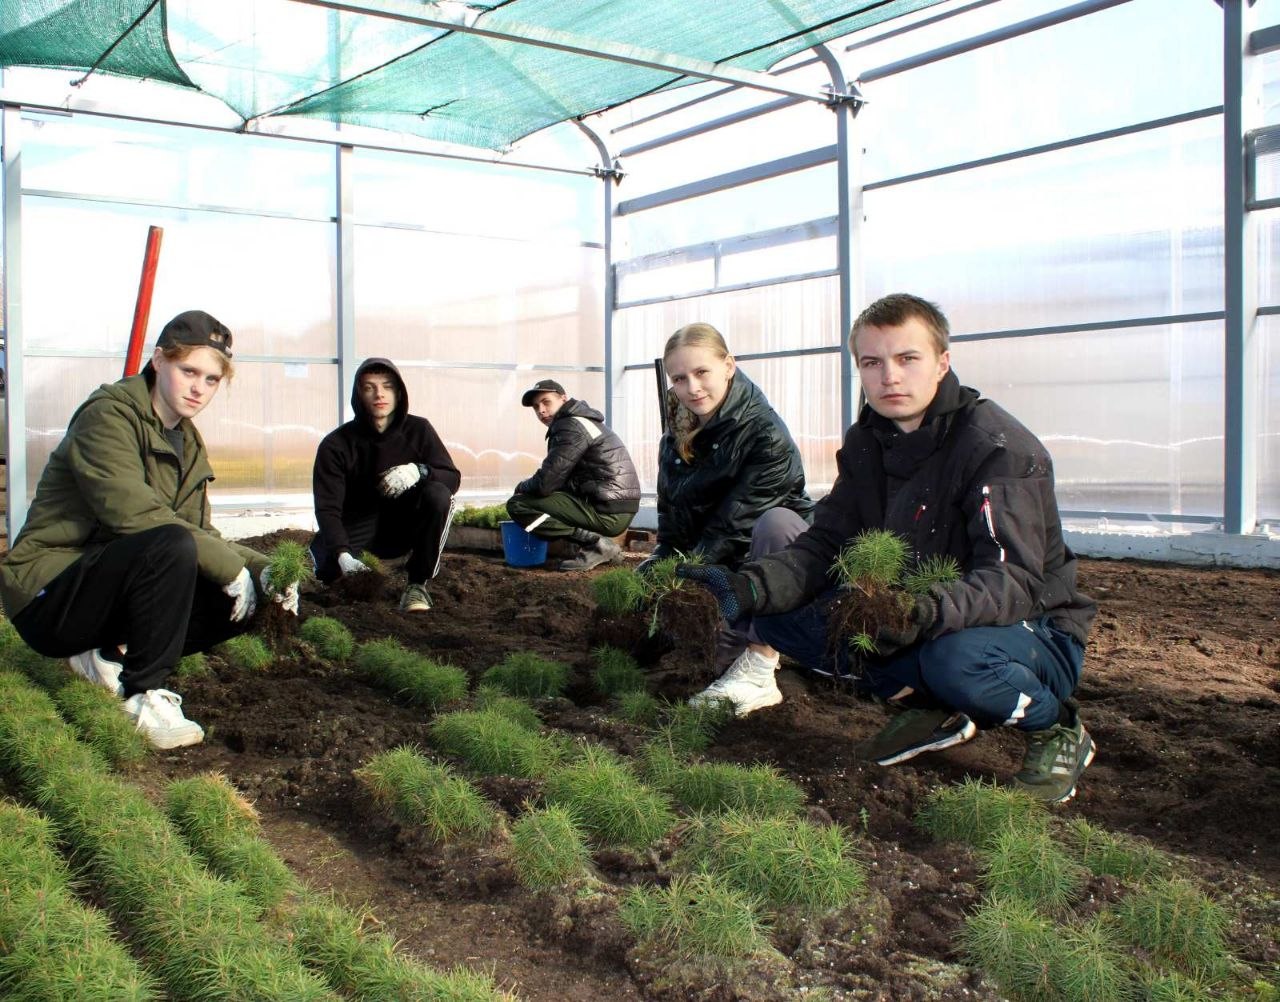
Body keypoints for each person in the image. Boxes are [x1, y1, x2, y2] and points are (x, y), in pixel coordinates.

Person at [678, 294, 1098, 804]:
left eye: (907, 359)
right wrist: (748, 586)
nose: (889, 377)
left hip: (1034, 630)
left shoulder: (997, 450)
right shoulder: (868, 442)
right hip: (921, 617)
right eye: (872, 363)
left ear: (943, 362)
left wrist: (922, 610)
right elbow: (826, 543)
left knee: (954, 660)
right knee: (778, 622)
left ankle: (1056, 725)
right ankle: (932, 702)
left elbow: (1015, 580)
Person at [0, 310, 298, 749]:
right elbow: (135, 516)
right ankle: (143, 694)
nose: (199, 388)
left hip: (105, 590)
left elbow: (202, 533)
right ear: (158, 361)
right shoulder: (108, 417)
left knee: (244, 595)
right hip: (49, 593)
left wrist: (263, 568)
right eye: (188, 371)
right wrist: (230, 567)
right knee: (172, 546)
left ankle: (105, 654)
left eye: (212, 379)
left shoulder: (189, 443)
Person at [646, 322, 814, 674]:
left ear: (728, 366)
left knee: (717, 664)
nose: (691, 388)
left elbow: (733, 528)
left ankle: (763, 641)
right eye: (678, 379)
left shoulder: (765, 434)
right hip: (713, 554)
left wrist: (680, 580)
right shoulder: (676, 433)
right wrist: (656, 565)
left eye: (701, 372)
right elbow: (673, 516)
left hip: (762, 563)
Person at [309, 358, 460, 611]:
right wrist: (342, 555)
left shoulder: (418, 430)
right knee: (329, 570)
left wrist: (419, 470)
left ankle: (416, 585)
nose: (379, 394)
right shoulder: (336, 445)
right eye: (369, 387)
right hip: (359, 522)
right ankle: (341, 565)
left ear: (398, 392)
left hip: (403, 525)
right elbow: (327, 508)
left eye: (387, 386)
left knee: (439, 494)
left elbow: (452, 477)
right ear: (358, 394)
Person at [506, 379, 640, 571]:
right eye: (536, 407)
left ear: (563, 398)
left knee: (519, 504)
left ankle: (597, 544)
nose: (541, 410)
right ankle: (600, 546)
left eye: (546, 402)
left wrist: (521, 487)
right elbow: (559, 478)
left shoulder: (570, 426)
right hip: (615, 505)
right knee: (546, 496)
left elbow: (546, 482)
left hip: (609, 511)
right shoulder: (579, 422)